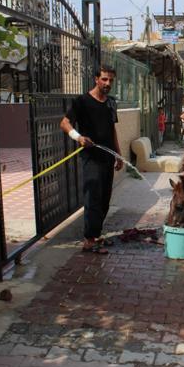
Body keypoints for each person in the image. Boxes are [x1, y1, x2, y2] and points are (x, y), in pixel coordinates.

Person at [60, 65, 123, 254]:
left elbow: (112, 129)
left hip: (108, 157)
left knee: (105, 198)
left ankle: (95, 234)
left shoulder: (111, 103)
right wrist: (77, 137)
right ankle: (89, 239)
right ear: (96, 79)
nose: (107, 83)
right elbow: (64, 122)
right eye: (104, 79)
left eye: (111, 80)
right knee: (93, 196)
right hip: (91, 158)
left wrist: (118, 154)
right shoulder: (82, 101)